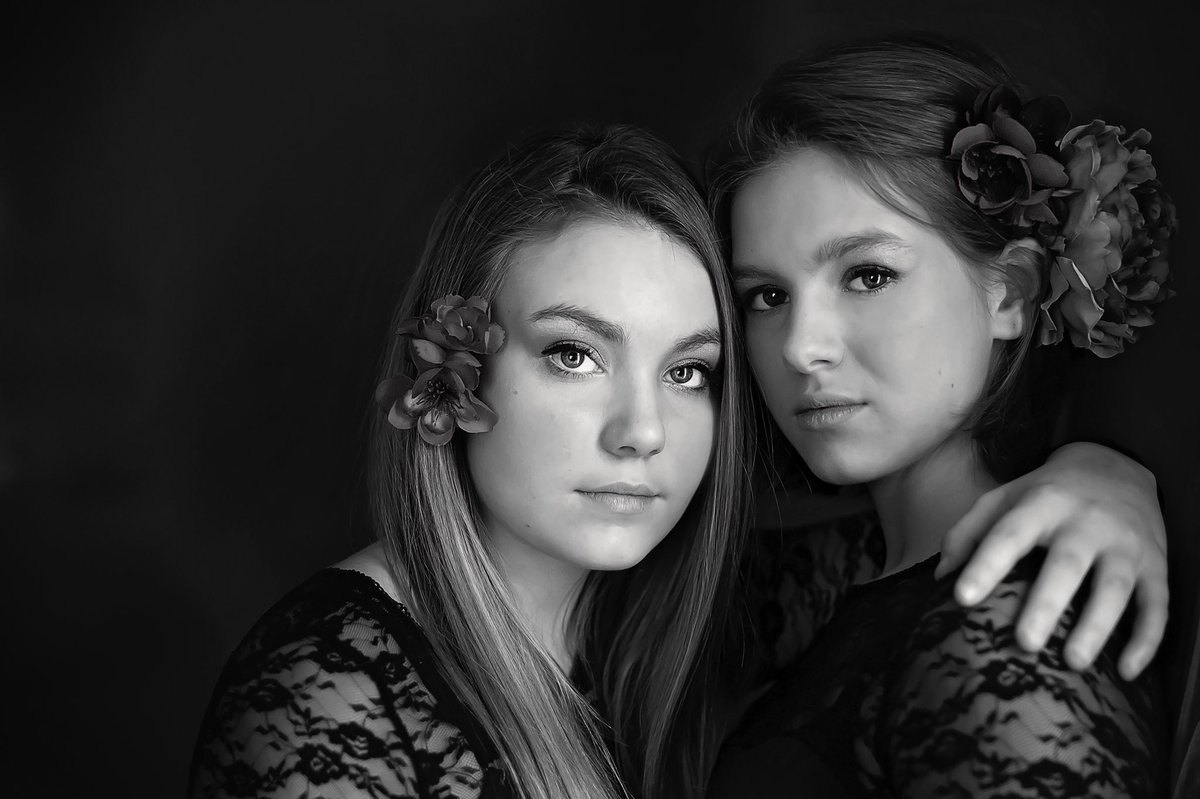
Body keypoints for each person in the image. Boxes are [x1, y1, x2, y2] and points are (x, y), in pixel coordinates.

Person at [188, 123, 1169, 799]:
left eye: (691, 372)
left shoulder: (685, 613)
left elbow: (916, 573)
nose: (642, 431)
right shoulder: (329, 680)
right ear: (449, 373)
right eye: (574, 354)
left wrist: (1103, 475)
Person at [705, 33, 1175, 797]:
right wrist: (1109, 470)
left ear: (1012, 293)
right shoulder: (840, 573)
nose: (799, 347)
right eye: (767, 295)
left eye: (868, 273)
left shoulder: (1012, 641)